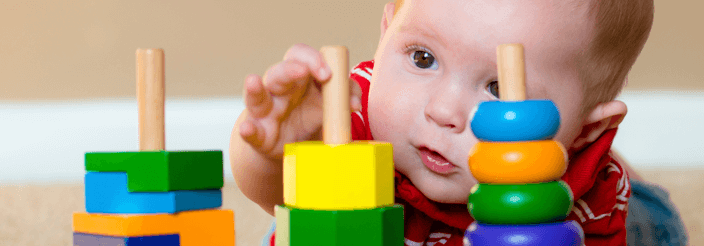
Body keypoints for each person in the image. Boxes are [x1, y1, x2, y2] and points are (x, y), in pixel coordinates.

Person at [230, 0, 686, 245]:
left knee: (653, 227)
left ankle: (620, 171)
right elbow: (273, 197)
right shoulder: (343, 116)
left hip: (615, 216)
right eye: (423, 58)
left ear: (584, 130)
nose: (444, 112)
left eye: (498, 90)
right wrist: (274, 153)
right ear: (387, 29)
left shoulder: (581, 200)